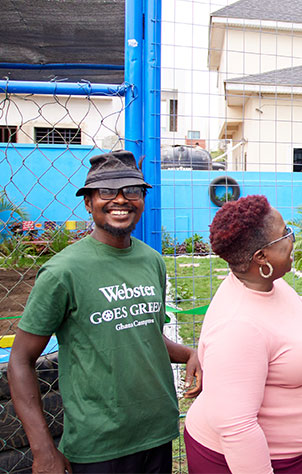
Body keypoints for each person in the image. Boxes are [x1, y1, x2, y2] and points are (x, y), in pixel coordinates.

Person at [8, 150, 202, 473]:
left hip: (157, 435)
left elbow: (145, 334)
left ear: (143, 199)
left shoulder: (152, 261)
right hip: (98, 448)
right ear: (88, 202)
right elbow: (19, 361)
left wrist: (189, 353)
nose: (121, 200)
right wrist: (43, 450)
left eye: (133, 190)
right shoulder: (62, 272)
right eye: (107, 191)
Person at [184, 195, 302, 474]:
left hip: (298, 454)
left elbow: (294, 311)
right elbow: (237, 429)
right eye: (285, 234)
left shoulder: (265, 284)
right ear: (261, 257)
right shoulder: (238, 328)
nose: (292, 238)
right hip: (248, 461)